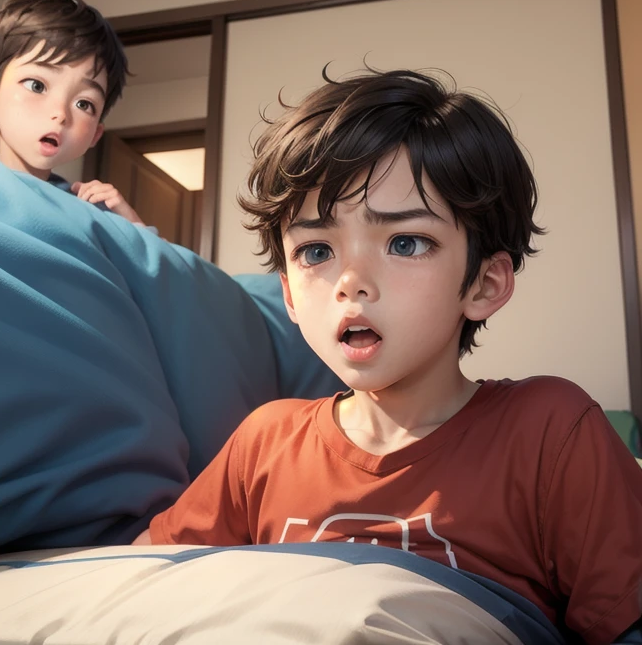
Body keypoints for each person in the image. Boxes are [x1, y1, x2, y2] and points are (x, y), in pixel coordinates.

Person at [133, 68, 642, 644]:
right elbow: (138, 581)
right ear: (289, 296)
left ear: (485, 283)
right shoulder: (265, 442)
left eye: (405, 243)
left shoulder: (551, 429)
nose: (350, 280)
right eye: (317, 250)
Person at [0, 0, 148, 226]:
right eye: (37, 85)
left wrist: (133, 226)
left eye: (83, 104)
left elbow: (169, 262)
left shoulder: (89, 214)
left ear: (95, 134)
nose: (61, 114)